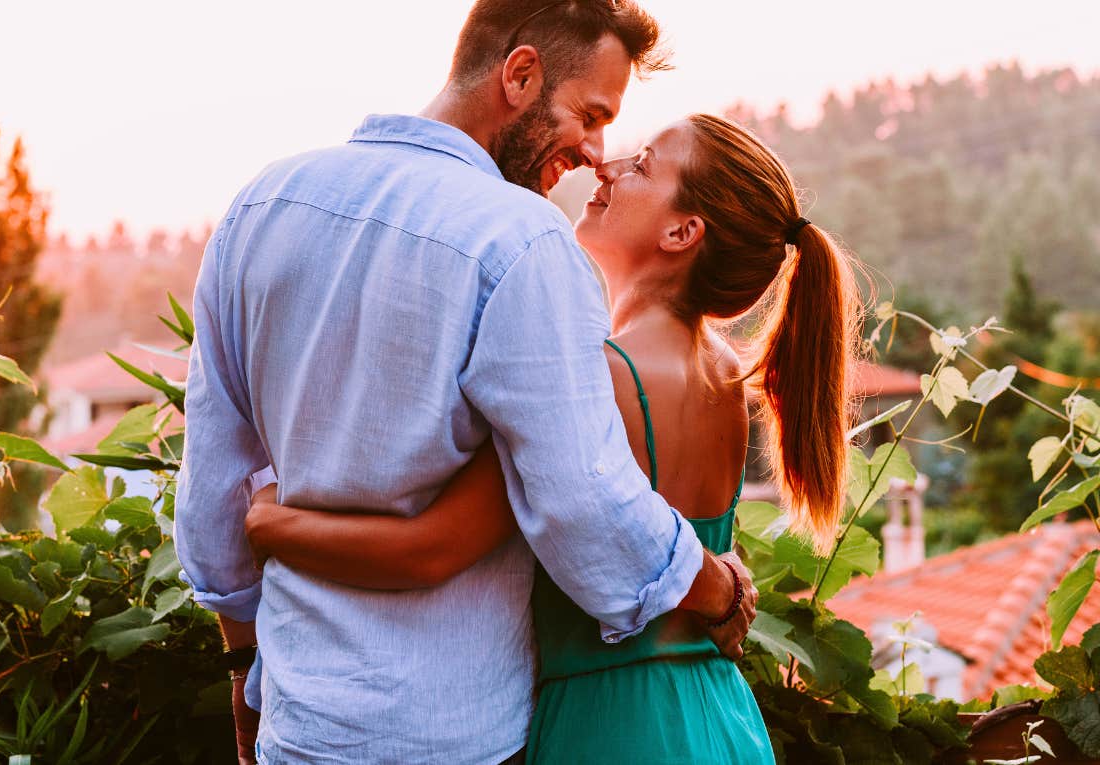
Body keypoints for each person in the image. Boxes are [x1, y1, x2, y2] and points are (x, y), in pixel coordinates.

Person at [173, 1, 757, 762]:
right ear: (520, 74)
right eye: (590, 114)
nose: (594, 151)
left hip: (301, 727)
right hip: (458, 735)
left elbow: (215, 486)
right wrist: (717, 586)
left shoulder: (262, 203)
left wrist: (245, 667)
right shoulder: (522, 240)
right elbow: (584, 504)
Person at [246, 113, 864, 763]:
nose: (608, 167)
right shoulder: (721, 376)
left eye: (644, 164)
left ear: (683, 231)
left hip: (612, 731)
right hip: (722, 716)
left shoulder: (595, 375)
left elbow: (428, 548)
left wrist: (269, 522)